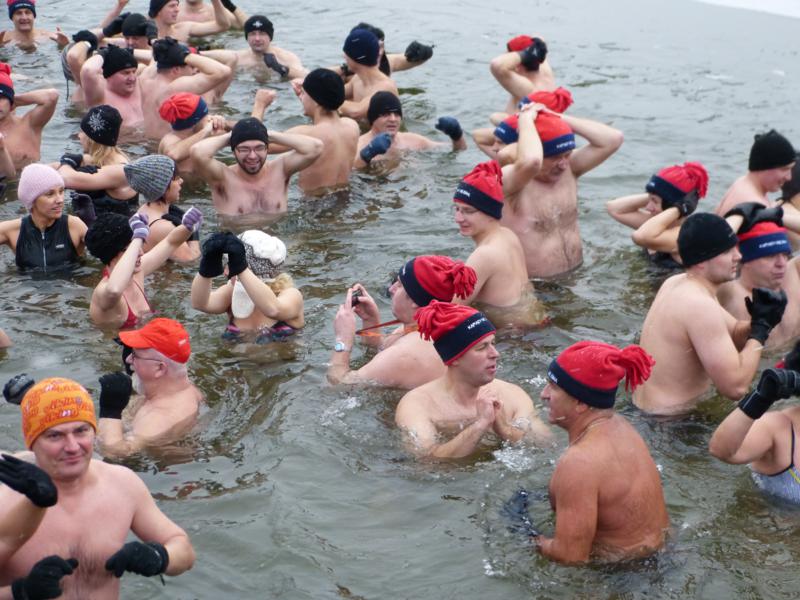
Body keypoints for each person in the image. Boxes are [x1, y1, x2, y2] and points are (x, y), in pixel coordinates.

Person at [0, 377, 195, 598]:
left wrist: (159, 557)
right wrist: (21, 592)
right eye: (55, 435)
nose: (72, 447)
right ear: (32, 441)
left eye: (81, 431)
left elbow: (184, 550)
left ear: (94, 432)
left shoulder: (121, 484)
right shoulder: (6, 501)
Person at [520, 341, 668, 563]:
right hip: (663, 556)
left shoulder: (579, 462)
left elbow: (570, 557)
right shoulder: (623, 427)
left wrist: (525, 534)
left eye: (554, 387)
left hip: (620, 574)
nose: (544, 394)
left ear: (580, 402)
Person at [634, 213, 787, 415]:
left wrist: (759, 319)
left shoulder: (678, 283)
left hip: (647, 413)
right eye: (727, 251)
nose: (738, 256)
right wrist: (760, 331)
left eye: (736, 247)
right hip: (673, 423)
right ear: (701, 261)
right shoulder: (699, 305)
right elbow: (735, 388)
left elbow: (733, 332)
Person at [395, 301, 551, 459]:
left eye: (493, 343)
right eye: (482, 347)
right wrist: (480, 424)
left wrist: (504, 429)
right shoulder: (417, 405)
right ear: (455, 358)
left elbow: (545, 444)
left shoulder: (511, 395)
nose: (495, 354)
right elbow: (426, 460)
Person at [497, 103, 623, 278]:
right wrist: (525, 119)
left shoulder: (570, 169)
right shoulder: (511, 181)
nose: (563, 164)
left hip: (577, 275)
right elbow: (530, 161)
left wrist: (553, 115)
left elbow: (613, 139)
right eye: (555, 157)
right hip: (535, 284)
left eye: (567, 154)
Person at [328, 255, 476, 388]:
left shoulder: (403, 355)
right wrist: (370, 321)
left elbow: (338, 384)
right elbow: (378, 354)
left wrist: (343, 340)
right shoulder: (427, 327)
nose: (391, 289)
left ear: (415, 301)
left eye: (399, 285)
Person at [452, 160, 545, 327]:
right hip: (538, 320)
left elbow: (450, 311)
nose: (458, 218)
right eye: (457, 209)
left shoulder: (484, 255)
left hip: (513, 334)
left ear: (491, 212)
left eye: (468, 211)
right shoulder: (508, 235)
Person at [84, 200, 202, 329]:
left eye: (140, 245)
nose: (140, 252)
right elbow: (114, 290)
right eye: (131, 248)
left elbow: (170, 242)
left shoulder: (136, 273)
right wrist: (137, 238)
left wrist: (188, 227)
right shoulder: (103, 292)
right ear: (112, 253)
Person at [60, 154, 198, 262]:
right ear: (163, 186)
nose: (181, 181)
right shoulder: (164, 227)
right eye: (176, 178)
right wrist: (193, 230)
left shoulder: (143, 210)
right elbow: (191, 260)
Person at [97, 318, 203, 457]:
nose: (128, 359)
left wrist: (110, 411)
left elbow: (115, 452)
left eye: (135, 355)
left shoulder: (157, 418)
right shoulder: (188, 390)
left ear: (159, 368)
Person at [190, 116, 322, 215]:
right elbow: (197, 152)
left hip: (276, 241)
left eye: (259, 148)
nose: (252, 156)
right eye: (244, 149)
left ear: (267, 148)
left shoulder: (281, 170)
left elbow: (316, 147)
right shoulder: (223, 178)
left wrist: (269, 134)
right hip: (237, 241)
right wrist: (232, 136)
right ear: (233, 150)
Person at [191, 231, 304, 342]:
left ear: (250, 271)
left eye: (231, 265)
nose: (226, 272)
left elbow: (273, 310)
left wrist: (240, 268)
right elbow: (200, 304)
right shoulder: (232, 292)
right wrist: (206, 268)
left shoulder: (292, 295)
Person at [606, 162, 710, 268]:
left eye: (654, 202)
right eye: (649, 199)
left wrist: (679, 207)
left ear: (672, 205)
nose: (647, 207)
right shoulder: (655, 225)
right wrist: (655, 193)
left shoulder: (686, 235)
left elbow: (641, 236)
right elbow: (614, 208)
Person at [717, 218, 799, 348]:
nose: (781, 263)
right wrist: (739, 216)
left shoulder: (794, 272)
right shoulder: (729, 291)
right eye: (770, 256)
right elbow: (704, 253)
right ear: (744, 260)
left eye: (785, 254)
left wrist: (781, 216)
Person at [278, 68, 358, 195]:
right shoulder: (352, 126)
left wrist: (260, 105)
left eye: (304, 93)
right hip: (344, 198)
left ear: (315, 101)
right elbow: (323, 113)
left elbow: (258, 143)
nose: (301, 96)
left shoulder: (305, 134)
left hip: (313, 203)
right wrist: (308, 99)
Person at [138, 37, 232, 140]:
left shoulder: (146, 76)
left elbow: (159, 54)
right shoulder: (175, 88)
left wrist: (167, 48)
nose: (194, 71)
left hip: (149, 144)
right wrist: (186, 55)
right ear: (176, 70)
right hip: (173, 145)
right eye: (191, 66)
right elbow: (223, 71)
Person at [471, 36, 556, 150]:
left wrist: (499, 119)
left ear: (518, 63)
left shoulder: (528, 89)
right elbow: (540, 38)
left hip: (530, 141)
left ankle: (504, 160)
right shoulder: (544, 69)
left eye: (508, 55)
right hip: (543, 133)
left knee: (479, 135)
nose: (504, 56)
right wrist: (529, 51)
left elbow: (497, 65)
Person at [0, 164, 86, 272]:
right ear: (32, 200)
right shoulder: (12, 230)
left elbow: (104, 250)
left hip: (70, 281)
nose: (60, 200)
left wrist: (93, 225)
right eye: (50, 194)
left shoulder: (74, 225)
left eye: (61, 191)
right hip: (26, 282)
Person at [60, 104, 139, 217]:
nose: (79, 135)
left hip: (117, 227)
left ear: (92, 139)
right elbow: (54, 170)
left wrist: (67, 161)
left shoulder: (121, 171)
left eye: (82, 131)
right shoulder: (101, 159)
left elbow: (65, 179)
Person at [353, 91, 466, 168]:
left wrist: (456, 135)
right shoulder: (358, 146)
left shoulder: (414, 141)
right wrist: (368, 154)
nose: (393, 119)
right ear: (373, 118)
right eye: (386, 114)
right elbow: (350, 172)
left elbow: (458, 150)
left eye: (397, 114)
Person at [715, 130, 796, 216]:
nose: (789, 177)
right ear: (764, 166)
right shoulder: (753, 204)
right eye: (784, 169)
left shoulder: (742, 183)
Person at [199, 15, 307, 78]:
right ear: (247, 37)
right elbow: (206, 55)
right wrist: (197, 51)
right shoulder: (238, 57)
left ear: (270, 37)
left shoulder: (287, 57)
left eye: (262, 33)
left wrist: (279, 68)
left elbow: (306, 77)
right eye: (252, 34)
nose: (257, 38)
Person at [0, 62, 59, 174]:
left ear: (11, 101)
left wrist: (16, 100)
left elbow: (52, 96)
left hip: (32, 181)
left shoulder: (28, 125)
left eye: (1, 98)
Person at [158, 91, 228, 173]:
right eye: (205, 115)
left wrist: (224, 123)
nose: (209, 117)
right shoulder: (169, 139)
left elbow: (239, 132)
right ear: (195, 121)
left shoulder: (201, 135)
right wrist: (205, 131)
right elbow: (173, 154)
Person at [338, 28, 398, 122]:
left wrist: (329, 102)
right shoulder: (357, 78)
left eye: (346, 54)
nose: (344, 57)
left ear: (356, 58)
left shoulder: (385, 87)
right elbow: (336, 94)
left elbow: (356, 112)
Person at [80, 44, 145, 128]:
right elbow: (87, 70)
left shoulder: (139, 84)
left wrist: (129, 51)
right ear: (109, 76)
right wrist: (103, 53)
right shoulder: (100, 95)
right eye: (126, 73)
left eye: (134, 72)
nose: (132, 78)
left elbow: (159, 59)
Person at [149, 0, 229, 42]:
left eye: (177, 5)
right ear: (158, 10)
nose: (177, 10)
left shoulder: (183, 29)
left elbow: (222, 26)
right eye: (172, 6)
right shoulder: (147, 36)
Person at [0, 0, 68, 48]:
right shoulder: (3, 40)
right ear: (12, 17)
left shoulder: (48, 37)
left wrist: (63, 45)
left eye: (27, 12)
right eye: (18, 13)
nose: (24, 17)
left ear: (34, 16)